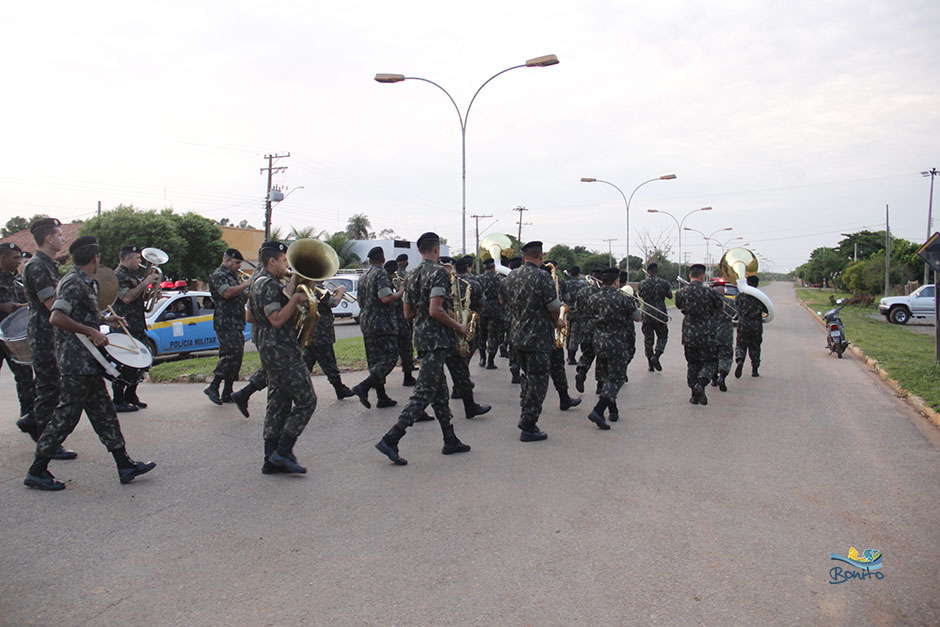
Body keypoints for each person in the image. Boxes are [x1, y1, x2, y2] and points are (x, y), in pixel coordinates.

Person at [23, 236, 156, 490]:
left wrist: (108, 320)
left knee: (104, 414)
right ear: (95, 258)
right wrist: (91, 331)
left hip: (89, 362)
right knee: (66, 417)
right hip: (76, 362)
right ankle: (36, 470)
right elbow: (57, 317)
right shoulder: (73, 282)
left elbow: (82, 314)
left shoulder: (84, 282)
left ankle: (124, 464)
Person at [375, 232, 472, 465]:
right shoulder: (439, 272)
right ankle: (391, 438)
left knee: (440, 391)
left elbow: (408, 313)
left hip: (421, 338)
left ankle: (450, 439)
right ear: (436, 249)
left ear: (419, 250)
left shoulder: (411, 274)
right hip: (437, 340)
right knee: (425, 392)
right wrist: (459, 325)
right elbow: (435, 310)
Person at [247, 240, 316, 474]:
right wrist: (295, 300)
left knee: (278, 404)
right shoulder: (269, 285)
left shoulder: (258, 282)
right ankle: (283, 451)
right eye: (285, 261)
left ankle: (270, 459)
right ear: (272, 261)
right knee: (307, 399)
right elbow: (276, 319)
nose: (287, 265)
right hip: (282, 352)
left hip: (269, 349)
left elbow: (251, 317)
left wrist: (293, 284)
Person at [18, 217, 77, 460]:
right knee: (49, 387)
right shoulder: (37, 266)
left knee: (53, 387)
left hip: (52, 335)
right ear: (48, 238)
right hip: (43, 335)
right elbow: (52, 305)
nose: (63, 239)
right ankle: (46, 441)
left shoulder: (49, 264)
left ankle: (35, 422)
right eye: (60, 235)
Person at [504, 241, 563, 442]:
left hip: (517, 335)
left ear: (524, 257)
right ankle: (529, 424)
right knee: (538, 380)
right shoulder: (542, 277)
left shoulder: (510, 276)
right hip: (538, 337)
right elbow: (554, 307)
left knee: (527, 376)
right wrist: (559, 322)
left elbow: (503, 301)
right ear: (540, 256)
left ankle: (525, 411)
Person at [585, 267, 641, 429]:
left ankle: (613, 411)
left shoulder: (593, 298)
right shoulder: (623, 298)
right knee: (616, 378)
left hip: (599, 341)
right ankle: (598, 410)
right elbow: (637, 318)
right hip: (617, 343)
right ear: (616, 281)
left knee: (606, 377)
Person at [111, 245, 161, 412]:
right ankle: (118, 400)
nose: (140, 262)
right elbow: (126, 297)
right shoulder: (117, 275)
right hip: (124, 326)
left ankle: (131, 394)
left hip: (137, 325)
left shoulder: (133, 275)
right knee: (123, 364)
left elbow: (140, 298)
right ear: (127, 259)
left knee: (141, 363)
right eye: (137, 258)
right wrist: (145, 282)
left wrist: (152, 291)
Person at [351, 247, 402, 408]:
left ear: (370, 260)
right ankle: (364, 386)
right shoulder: (380, 274)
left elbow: (359, 302)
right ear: (383, 260)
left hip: (366, 322)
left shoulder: (363, 276)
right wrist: (401, 292)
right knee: (390, 358)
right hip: (382, 323)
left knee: (375, 361)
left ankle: (381, 396)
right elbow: (386, 297)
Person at [205, 249, 250, 405]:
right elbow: (227, 293)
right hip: (225, 321)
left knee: (237, 357)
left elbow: (240, 298)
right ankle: (213, 385)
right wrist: (247, 284)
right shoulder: (218, 275)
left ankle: (227, 391)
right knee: (230, 354)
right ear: (227, 260)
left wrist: (249, 291)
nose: (239, 266)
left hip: (236, 320)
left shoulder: (233, 276)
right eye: (237, 263)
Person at [674, 264, 723, 405]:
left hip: (689, 333)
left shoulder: (682, 292)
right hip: (707, 334)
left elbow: (679, 306)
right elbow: (720, 308)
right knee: (710, 362)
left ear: (690, 276)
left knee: (692, 363)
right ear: (703, 277)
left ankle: (694, 395)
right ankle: (700, 385)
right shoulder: (711, 292)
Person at [0, 243, 36, 428]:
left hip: (12, 338)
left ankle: (28, 415)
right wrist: (2, 306)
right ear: (3, 257)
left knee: (24, 376)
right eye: (15, 258)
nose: (19, 262)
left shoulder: (16, 281)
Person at [302, 280, 356, 400]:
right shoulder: (317, 289)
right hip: (321, 333)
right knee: (329, 363)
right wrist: (341, 291)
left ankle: (298, 390)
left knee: (306, 364)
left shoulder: (309, 288)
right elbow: (333, 302)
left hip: (311, 332)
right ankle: (339, 388)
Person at [543, 263, 581, 411]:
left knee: (531, 370)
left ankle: (525, 401)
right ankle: (564, 399)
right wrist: (558, 319)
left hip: (529, 334)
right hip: (549, 331)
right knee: (557, 367)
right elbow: (561, 302)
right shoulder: (550, 283)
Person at [637, 263, 673, 372]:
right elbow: (670, 296)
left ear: (648, 271)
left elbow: (641, 295)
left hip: (647, 313)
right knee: (662, 336)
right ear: (657, 271)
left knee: (648, 339)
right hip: (660, 312)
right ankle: (656, 356)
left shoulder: (642, 283)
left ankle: (650, 364)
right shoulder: (664, 283)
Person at [574, 273, 604, 395]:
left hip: (585, 327)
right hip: (599, 328)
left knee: (587, 354)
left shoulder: (581, 292)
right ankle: (600, 385)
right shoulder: (602, 293)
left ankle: (581, 372)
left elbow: (577, 308)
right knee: (601, 358)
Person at [735, 274, 766, 378]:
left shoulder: (740, 295)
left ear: (747, 283)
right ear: (757, 284)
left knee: (740, 345)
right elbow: (766, 310)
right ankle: (755, 369)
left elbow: (736, 307)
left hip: (743, 324)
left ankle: (740, 360)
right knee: (755, 347)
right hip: (756, 326)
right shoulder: (760, 296)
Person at [476, 258, 504, 369]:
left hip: (481, 308)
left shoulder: (479, 279)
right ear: (494, 267)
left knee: (482, 334)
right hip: (495, 308)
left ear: (484, 267)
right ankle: (490, 361)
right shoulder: (500, 279)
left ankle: (482, 358)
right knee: (493, 335)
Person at [394, 254, 416, 386]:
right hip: (404, 314)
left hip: (392, 316)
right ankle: (408, 375)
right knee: (406, 345)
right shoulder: (407, 276)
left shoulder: (390, 275)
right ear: (406, 263)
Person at [501, 256, 523, 383]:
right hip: (527, 318)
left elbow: (501, 300)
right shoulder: (530, 278)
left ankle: (514, 365)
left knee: (512, 341)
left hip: (510, 316)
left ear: (509, 266)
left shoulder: (506, 280)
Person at [710, 281, 735, 391]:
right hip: (726, 333)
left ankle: (714, 378)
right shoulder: (730, 302)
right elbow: (736, 315)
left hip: (711, 333)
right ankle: (722, 377)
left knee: (712, 357)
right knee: (726, 357)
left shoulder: (708, 302)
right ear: (724, 291)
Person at [564, 266, 588, 365]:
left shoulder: (566, 283)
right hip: (578, 310)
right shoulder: (583, 284)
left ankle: (568, 354)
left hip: (567, 310)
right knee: (575, 333)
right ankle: (572, 357)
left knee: (568, 332)